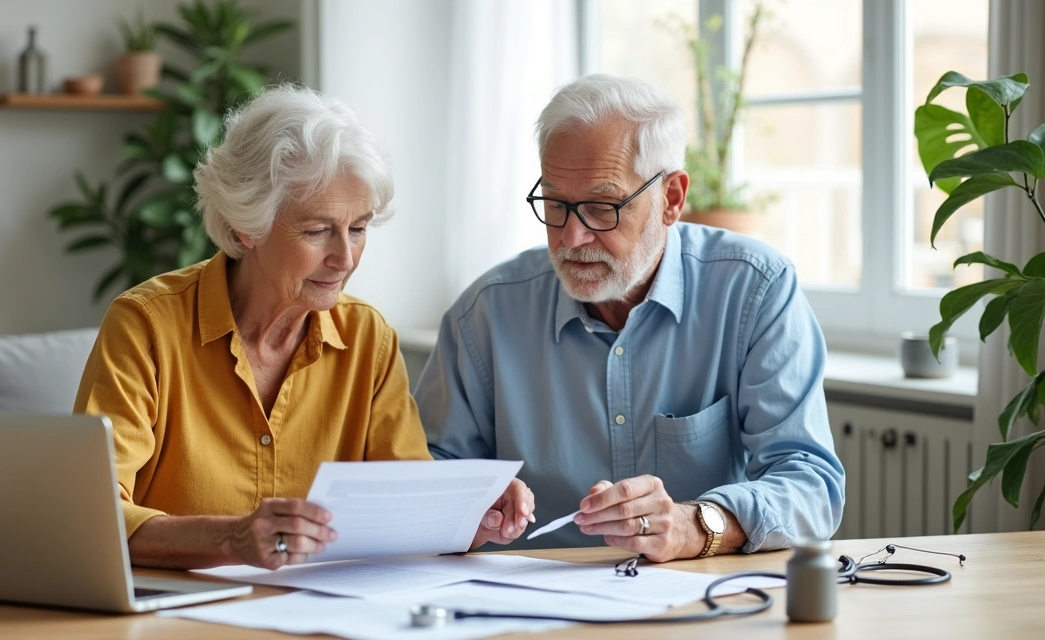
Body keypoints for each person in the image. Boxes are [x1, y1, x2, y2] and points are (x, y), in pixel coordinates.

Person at [75, 86, 532, 571]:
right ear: (246, 225)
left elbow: (407, 511)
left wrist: (466, 515)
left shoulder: (367, 339)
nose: (346, 258)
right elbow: (92, 515)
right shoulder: (146, 326)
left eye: (358, 229)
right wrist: (232, 538)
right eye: (317, 232)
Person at [415, 74, 844, 562]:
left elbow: (810, 484)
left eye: (602, 207)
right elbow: (427, 472)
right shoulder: (486, 315)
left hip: (702, 597)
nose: (572, 237)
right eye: (556, 204)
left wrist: (696, 524)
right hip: (536, 606)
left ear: (672, 199)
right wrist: (470, 506)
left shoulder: (754, 292)